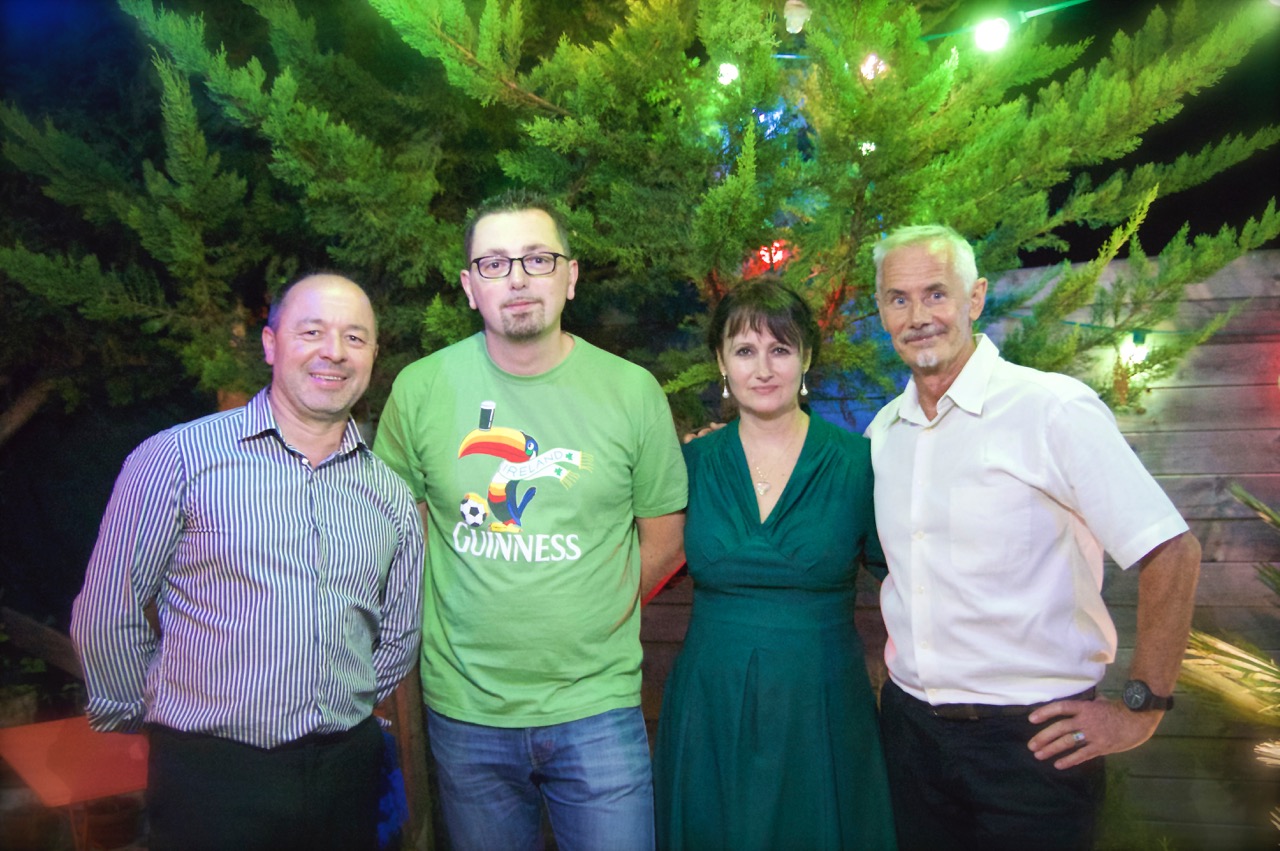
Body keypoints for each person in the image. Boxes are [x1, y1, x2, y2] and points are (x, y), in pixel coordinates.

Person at [865, 225, 1202, 851]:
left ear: (975, 299)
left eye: (936, 294)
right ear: (882, 310)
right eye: (899, 298)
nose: (918, 316)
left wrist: (1141, 707)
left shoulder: (1051, 409)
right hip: (911, 740)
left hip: (1032, 747)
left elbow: (1172, 552)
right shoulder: (885, 432)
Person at [373, 189, 687, 851]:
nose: (517, 278)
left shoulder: (632, 391)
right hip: (466, 711)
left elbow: (662, 538)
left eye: (538, 259)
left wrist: (590, 609)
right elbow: (401, 531)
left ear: (571, 276)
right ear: (468, 287)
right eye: (494, 263)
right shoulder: (421, 390)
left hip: (596, 706)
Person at [70, 274, 425, 851]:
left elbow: (398, 635)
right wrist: (152, 720)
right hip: (212, 778)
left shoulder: (389, 495)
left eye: (354, 338)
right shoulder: (177, 459)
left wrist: (345, 706)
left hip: (346, 773)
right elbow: (109, 610)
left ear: (373, 356)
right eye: (312, 331)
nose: (334, 351)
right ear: (270, 343)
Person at [653, 281, 897, 851]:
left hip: (822, 712)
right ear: (721, 362)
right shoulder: (689, 463)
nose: (763, 369)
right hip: (709, 708)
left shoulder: (858, 465)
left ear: (805, 358)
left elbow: (910, 582)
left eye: (780, 350)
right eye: (744, 351)